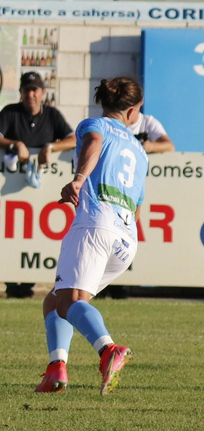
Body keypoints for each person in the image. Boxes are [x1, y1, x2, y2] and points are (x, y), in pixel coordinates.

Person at [35, 77, 145, 395]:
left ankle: (109, 350)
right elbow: (139, 204)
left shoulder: (94, 124)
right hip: (126, 237)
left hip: (96, 224)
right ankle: (57, 369)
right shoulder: (140, 150)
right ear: (134, 109)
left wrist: (79, 178)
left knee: (69, 302)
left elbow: (93, 142)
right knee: (57, 300)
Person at [0, 72, 74, 298]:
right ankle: (12, 285)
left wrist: (52, 147)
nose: (31, 94)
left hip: (42, 194)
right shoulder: (11, 112)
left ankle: (29, 283)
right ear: (21, 93)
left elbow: (73, 139)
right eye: (26, 90)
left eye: (35, 90)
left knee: (38, 234)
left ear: (43, 93)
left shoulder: (52, 115)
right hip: (11, 194)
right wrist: (15, 144)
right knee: (10, 234)